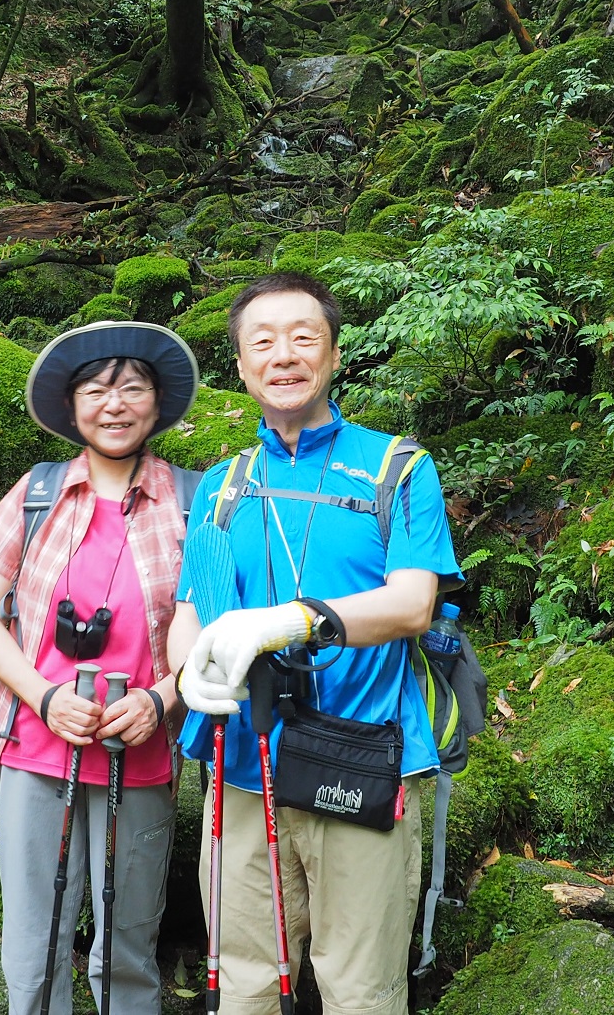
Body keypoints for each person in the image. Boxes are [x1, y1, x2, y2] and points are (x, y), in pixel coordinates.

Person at [168, 272, 459, 1015]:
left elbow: (412, 604)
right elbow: (193, 608)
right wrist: (186, 672)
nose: (284, 355)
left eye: (304, 337)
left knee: (361, 989)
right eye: (262, 342)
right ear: (240, 366)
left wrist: (287, 622)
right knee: (244, 982)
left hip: (360, 758)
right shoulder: (224, 484)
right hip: (240, 768)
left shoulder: (398, 468)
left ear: (333, 355)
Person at [0, 321, 202, 1015]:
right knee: (34, 944)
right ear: (72, 410)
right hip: (36, 750)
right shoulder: (37, 493)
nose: (115, 403)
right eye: (96, 389)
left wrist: (161, 699)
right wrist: (42, 697)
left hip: (145, 752)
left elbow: (212, 633)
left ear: (157, 403)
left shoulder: (192, 501)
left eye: (132, 387)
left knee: (128, 944)